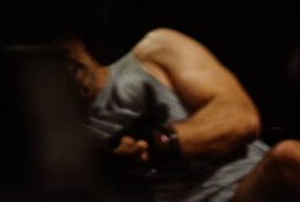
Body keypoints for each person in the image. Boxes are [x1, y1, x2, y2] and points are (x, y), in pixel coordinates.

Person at [62, 29, 300, 202]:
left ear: (74, 39)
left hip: (260, 185)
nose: (60, 61)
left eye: (56, 45)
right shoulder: (54, 136)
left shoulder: (156, 52)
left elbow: (242, 120)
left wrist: (153, 145)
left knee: (288, 159)